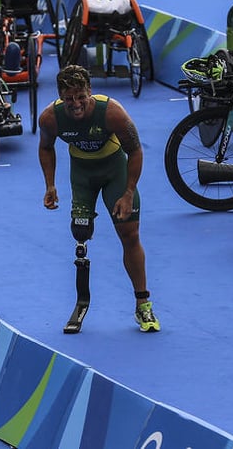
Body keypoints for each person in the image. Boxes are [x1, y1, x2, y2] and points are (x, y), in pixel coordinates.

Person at [38, 65, 159, 332]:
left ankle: (143, 304)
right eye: (69, 98)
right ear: (60, 96)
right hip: (82, 176)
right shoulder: (50, 118)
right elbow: (45, 148)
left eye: (81, 96)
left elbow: (136, 151)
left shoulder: (112, 112)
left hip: (114, 171)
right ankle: (81, 300)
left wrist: (128, 193)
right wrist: (50, 185)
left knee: (129, 234)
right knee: (80, 231)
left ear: (89, 91)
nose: (76, 104)